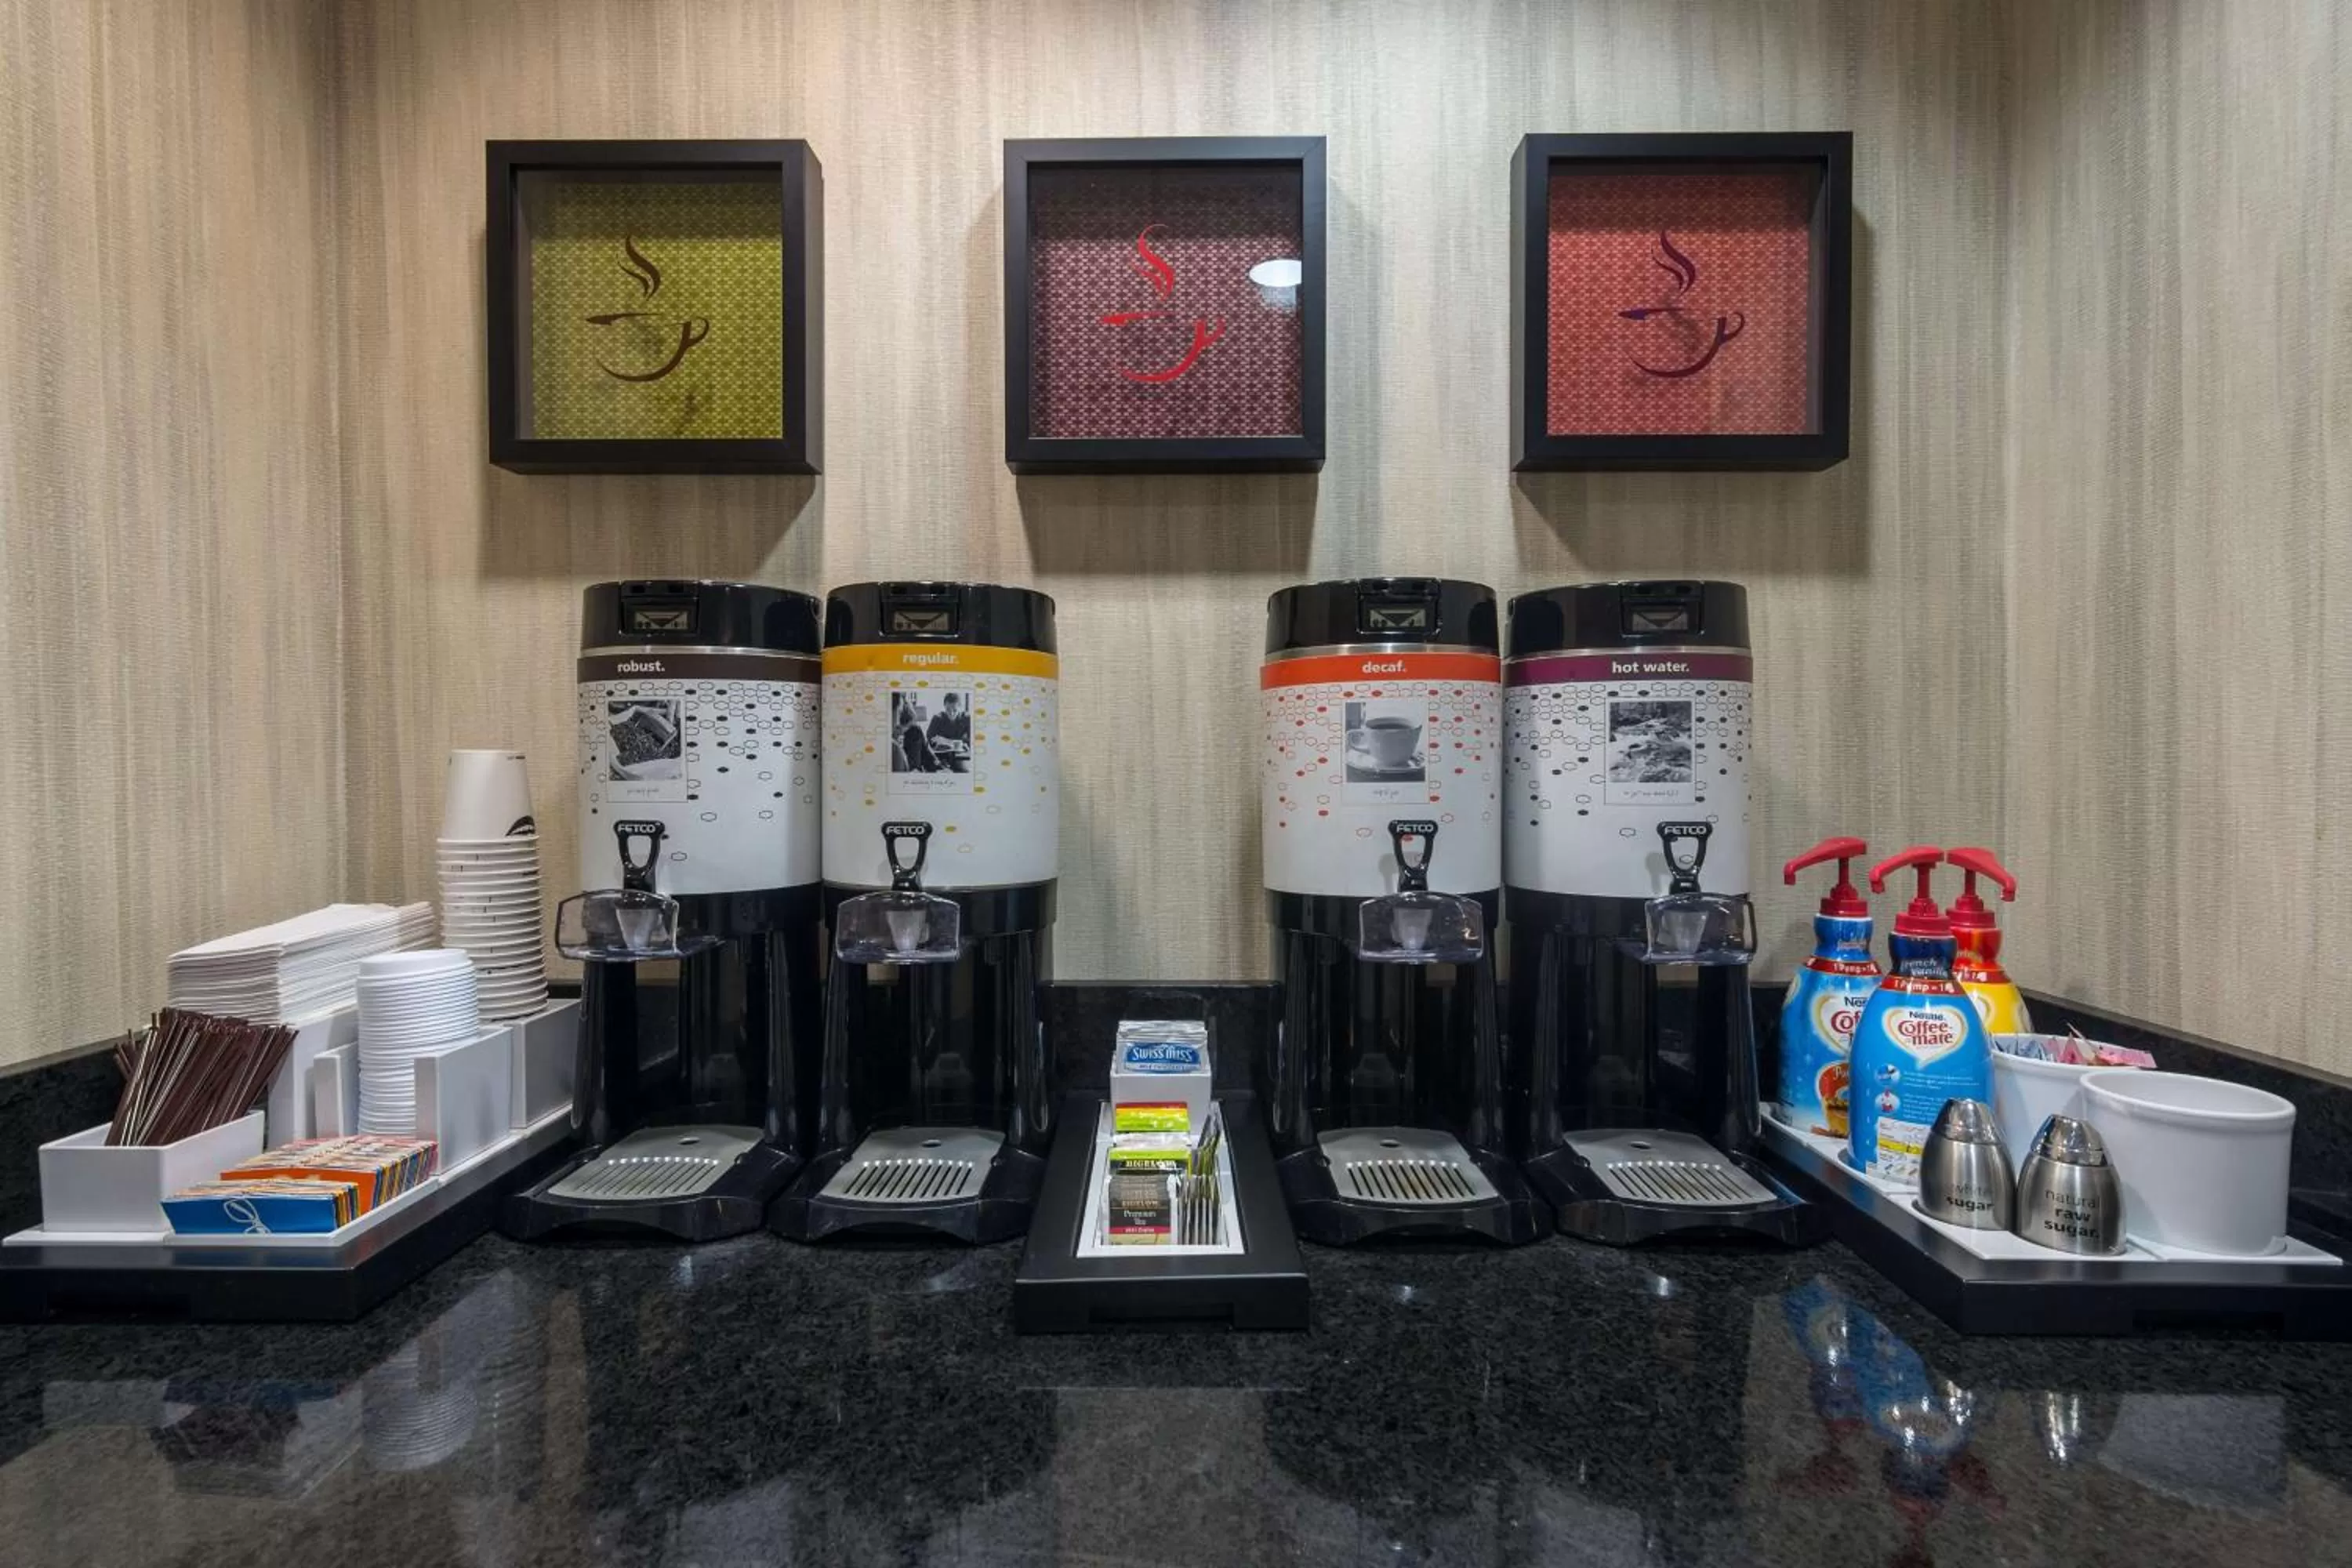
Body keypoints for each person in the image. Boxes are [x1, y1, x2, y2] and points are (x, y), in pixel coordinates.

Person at [926, 692, 973, 773]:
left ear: (960, 707)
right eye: (948, 710)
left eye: (955, 710)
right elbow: (929, 739)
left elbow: (972, 740)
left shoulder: (967, 718)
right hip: (941, 757)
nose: (951, 714)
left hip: (959, 756)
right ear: (944, 706)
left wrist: (946, 741)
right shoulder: (937, 718)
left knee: (965, 772)